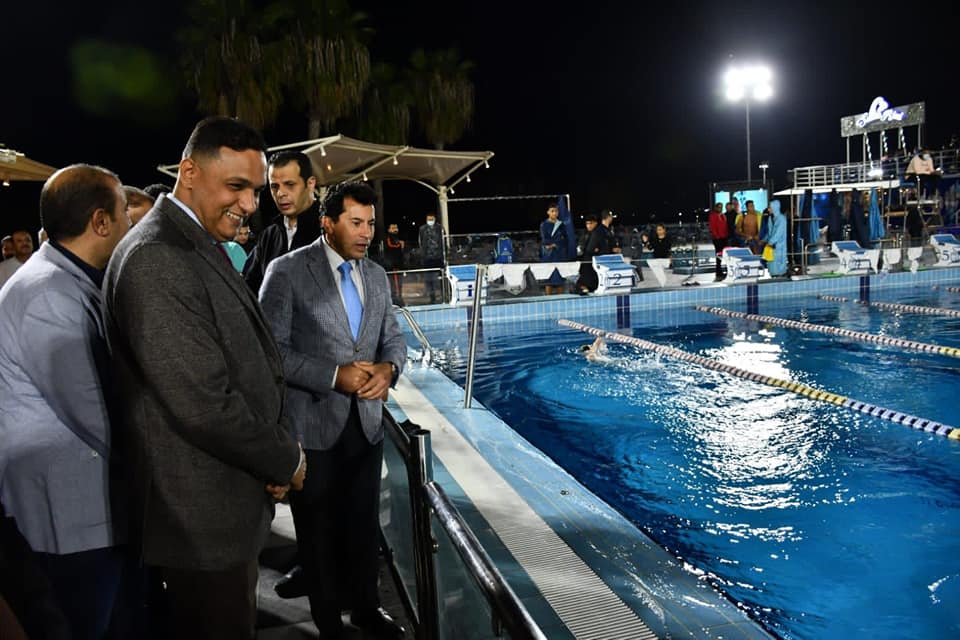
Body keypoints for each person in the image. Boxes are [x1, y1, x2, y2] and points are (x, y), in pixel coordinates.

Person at [102, 116, 306, 640]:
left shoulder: (189, 241)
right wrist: (285, 458)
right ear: (189, 172)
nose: (250, 204)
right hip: (200, 521)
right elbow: (202, 405)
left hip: (220, 508)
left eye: (255, 190)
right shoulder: (156, 256)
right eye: (236, 186)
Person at [259, 181, 407, 640]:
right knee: (318, 533)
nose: (367, 233)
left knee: (363, 526)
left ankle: (367, 609)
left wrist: (389, 369)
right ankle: (327, 624)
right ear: (327, 223)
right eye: (356, 223)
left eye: (371, 224)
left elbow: (393, 338)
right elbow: (270, 352)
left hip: (366, 426)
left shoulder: (376, 275)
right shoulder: (286, 272)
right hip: (311, 427)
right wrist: (332, 375)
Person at [0, 164, 130, 637]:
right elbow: (97, 414)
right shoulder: (46, 295)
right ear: (100, 222)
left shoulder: (62, 280)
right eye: (125, 213)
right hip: (71, 521)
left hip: (82, 512)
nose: (131, 224)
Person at [243, 150, 322, 294]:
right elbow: (249, 290)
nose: (280, 193)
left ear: (310, 184)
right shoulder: (268, 236)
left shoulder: (330, 231)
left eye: (289, 184)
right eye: (274, 187)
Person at [418, 212, 445, 303]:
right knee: (429, 279)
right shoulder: (422, 229)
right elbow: (421, 242)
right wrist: (423, 255)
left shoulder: (440, 228)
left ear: (434, 219)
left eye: (431, 219)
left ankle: (444, 295)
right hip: (427, 258)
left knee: (441, 277)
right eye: (428, 219)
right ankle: (432, 297)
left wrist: (443, 254)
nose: (430, 221)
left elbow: (443, 241)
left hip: (438, 257)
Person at [763, 199, 788, 276]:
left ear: (775, 207)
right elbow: (770, 232)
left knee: (778, 266)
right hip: (771, 247)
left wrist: (770, 242)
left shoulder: (781, 219)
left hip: (779, 247)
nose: (768, 209)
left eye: (770, 207)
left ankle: (779, 276)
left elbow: (778, 233)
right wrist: (764, 240)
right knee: (771, 266)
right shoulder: (771, 218)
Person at [383, 222, 405, 305]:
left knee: (399, 284)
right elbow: (392, 246)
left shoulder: (397, 238)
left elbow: (401, 252)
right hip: (392, 266)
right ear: (389, 230)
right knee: (393, 284)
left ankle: (399, 298)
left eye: (396, 228)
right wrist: (400, 244)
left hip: (399, 265)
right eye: (393, 228)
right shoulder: (388, 238)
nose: (395, 230)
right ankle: (395, 300)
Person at [708, 202, 728, 281]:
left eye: (721, 207)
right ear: (716, 208)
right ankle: (718, 272)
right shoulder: (713, 216)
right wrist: (717, 236)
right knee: (718, 255)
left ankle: (725, 270)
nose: (720, 208)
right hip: (717, 239)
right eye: (719, 207)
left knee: (725, 255)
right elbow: (712, 227)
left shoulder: (723, 215)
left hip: (724, 238)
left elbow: (725, 226)